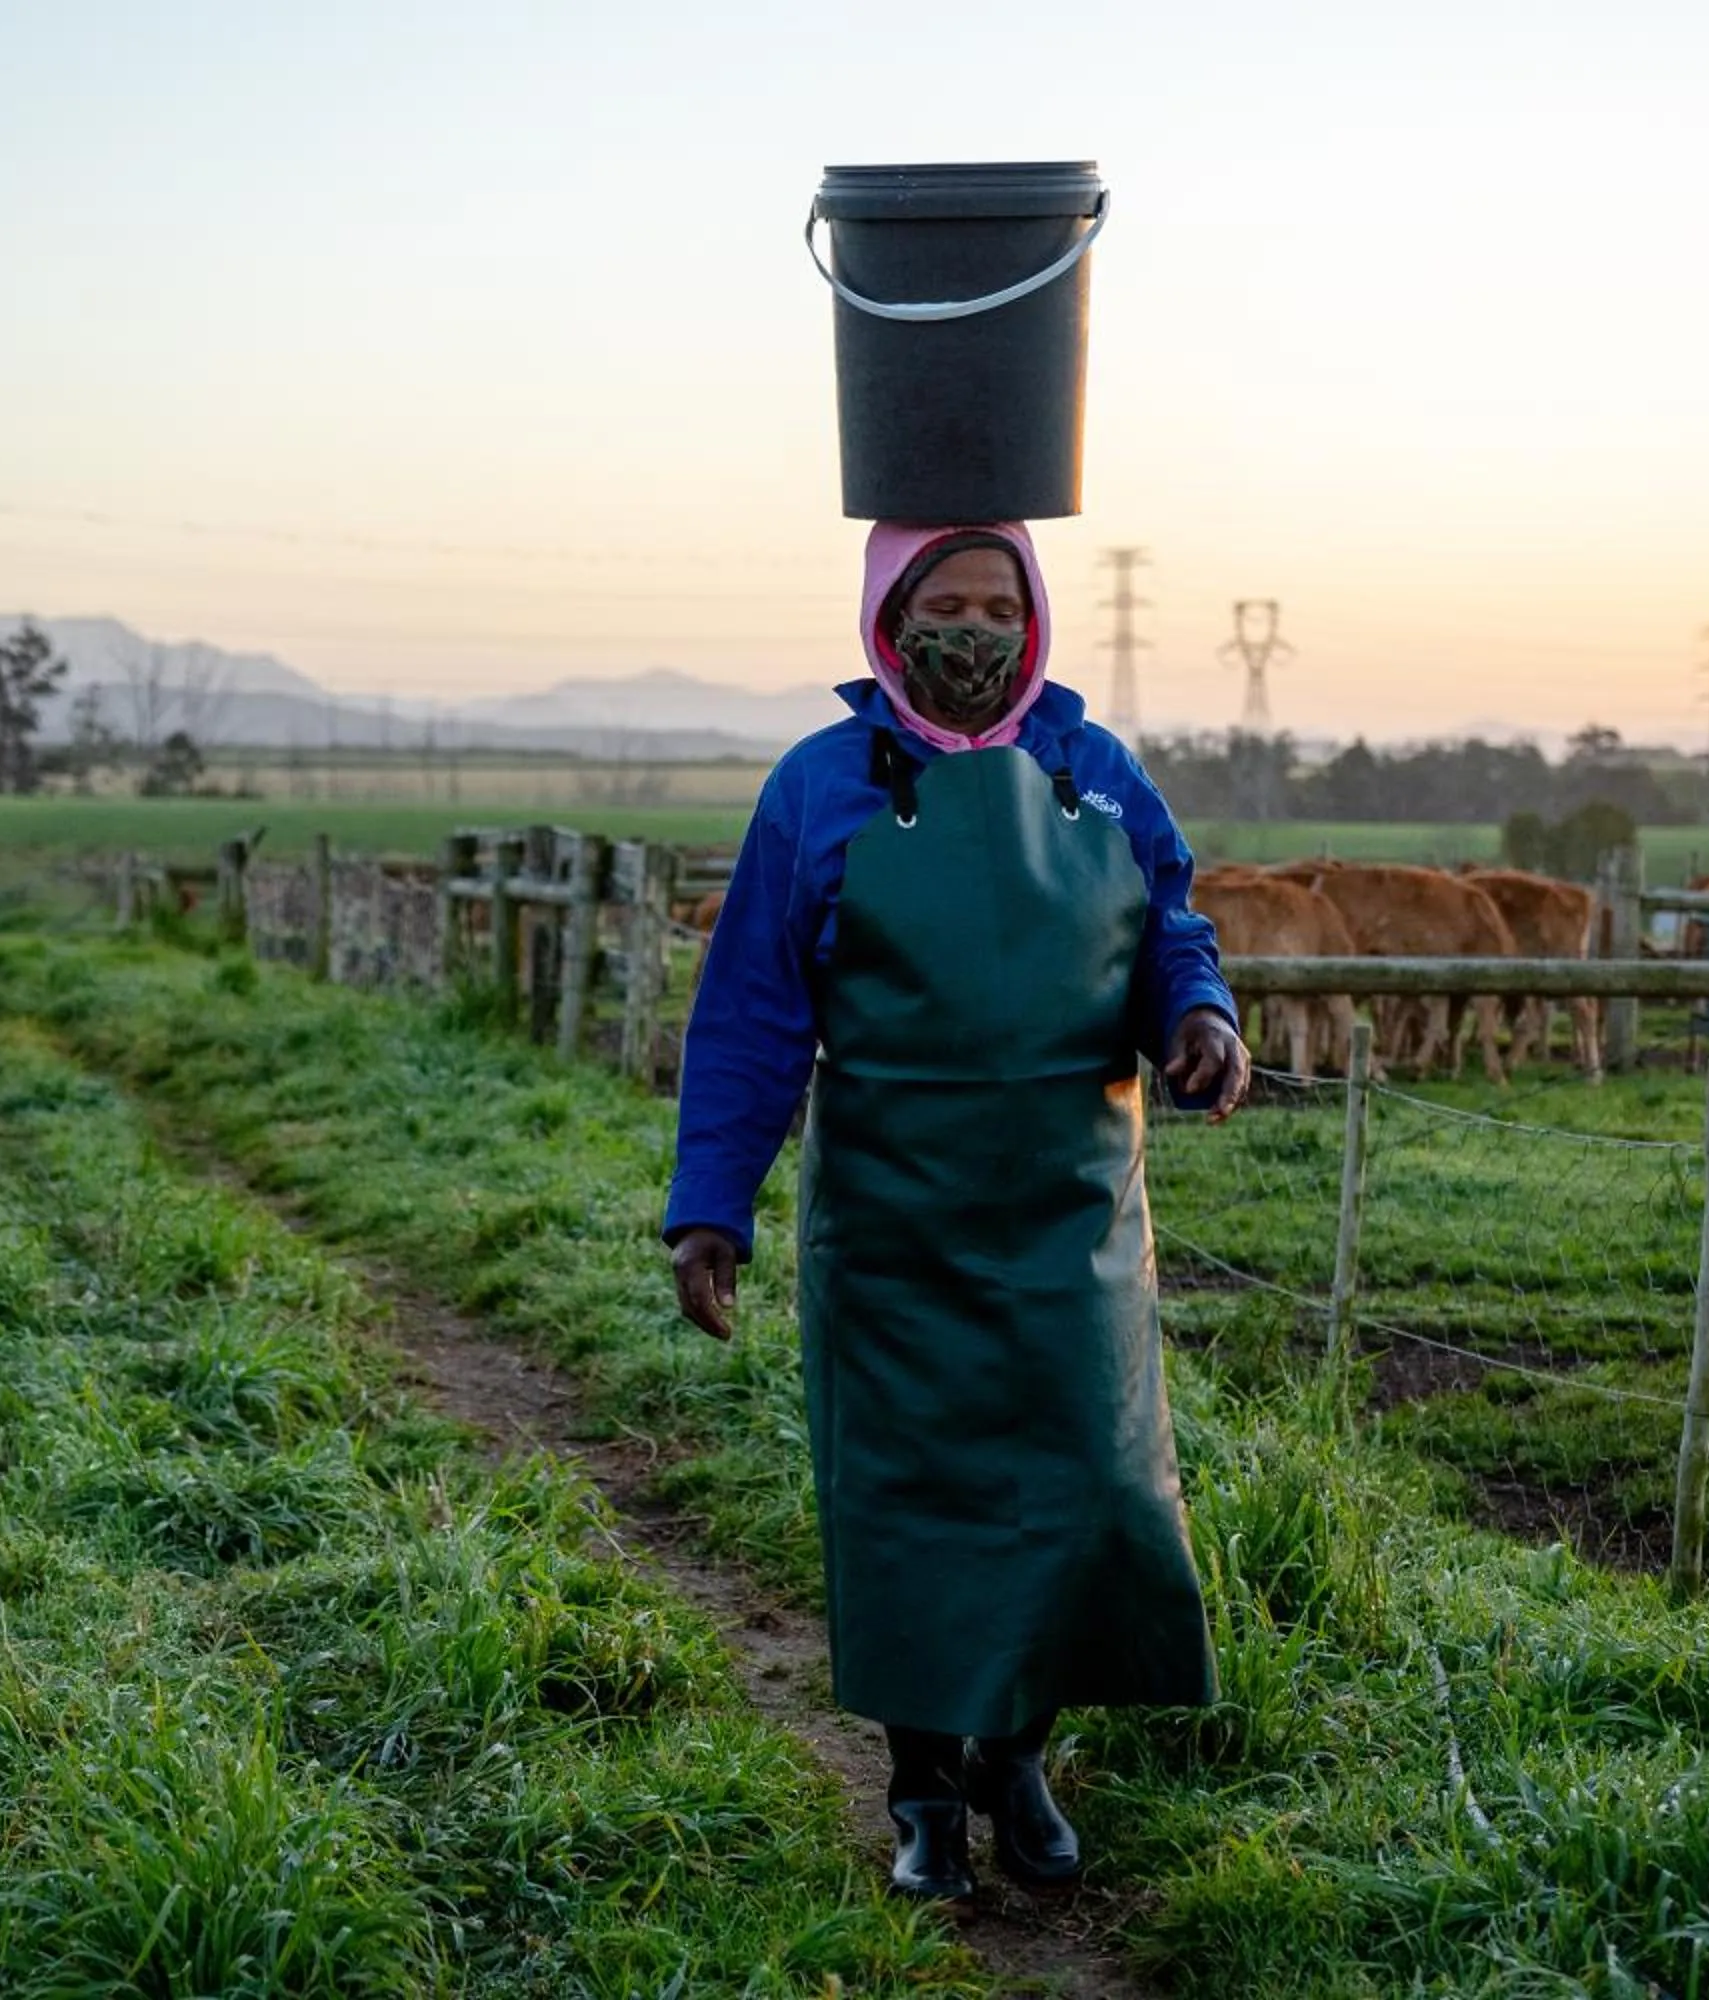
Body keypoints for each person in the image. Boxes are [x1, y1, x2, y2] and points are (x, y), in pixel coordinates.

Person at [662, 520, 1250, 1901]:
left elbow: (1168, 925)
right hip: (894, 1218)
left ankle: (1018, 1758)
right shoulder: (819, 788)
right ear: (890, 615)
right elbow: (752, 1009)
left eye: (1000, 604)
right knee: (910, 1502)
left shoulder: (1093, 772)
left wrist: (1202, 1013)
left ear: (1035, 619)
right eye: (948, 602)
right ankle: (923, 1783)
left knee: (1080, 1487)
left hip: (1071, 1211)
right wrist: (712, 1208)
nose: (975, 630)